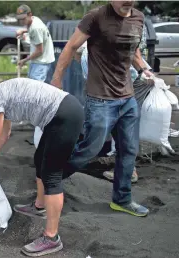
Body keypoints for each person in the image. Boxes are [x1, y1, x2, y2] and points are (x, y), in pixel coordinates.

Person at [0, 68, 84, 257]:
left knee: (52, 175)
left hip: (63, 116)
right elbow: (3, 136)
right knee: (39, 159)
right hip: (63, 112)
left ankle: (51, 238)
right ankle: (40, 206)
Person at [50, 0, 152, 217]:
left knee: (129, 150)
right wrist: (57, 79)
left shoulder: (139, 18)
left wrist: (144, 69)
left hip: (127, 98)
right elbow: (71, 46)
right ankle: (48, 181)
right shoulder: (95, 17)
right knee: (89, 150)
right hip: (101, 100)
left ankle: (122, 200)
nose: (128, 1)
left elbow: (133, 52)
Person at [80, 21, 155, 183]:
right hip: (139, 76)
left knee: (124, 123)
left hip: (135, 82)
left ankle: (127, 171)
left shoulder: (90, 56)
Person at [15, 4, 56, 148]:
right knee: (34, 89)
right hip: (40, 61)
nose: (22, 21)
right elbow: (30, 30)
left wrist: (24, 60)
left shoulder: (36, 28)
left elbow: (39, 50)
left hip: (41, 62)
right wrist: (24, 31)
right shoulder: (34, 21)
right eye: (19, 20)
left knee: (36, 92)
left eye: (23, 19)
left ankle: (40, 121)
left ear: (30, 14)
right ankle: (36, 119)